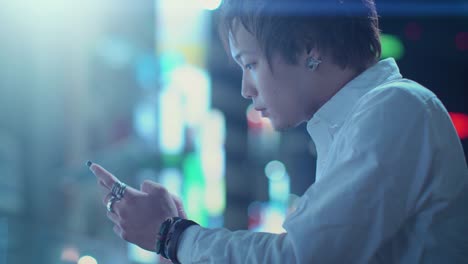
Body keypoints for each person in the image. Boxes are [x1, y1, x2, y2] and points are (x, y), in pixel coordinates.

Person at [88, 0, 468, 263]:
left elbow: (302, 258)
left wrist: (174, 236)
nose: (245, 89)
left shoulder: (393, 110)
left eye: (250, 63)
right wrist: (177, 240)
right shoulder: (358, 123)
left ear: (307, 48)